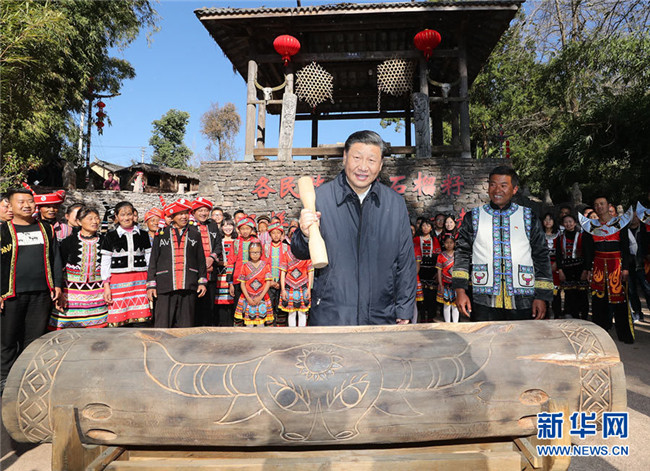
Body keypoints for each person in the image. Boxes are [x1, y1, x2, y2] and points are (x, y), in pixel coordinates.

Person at [292, 130, 417, 326]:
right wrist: (305, 235)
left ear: (381, 165)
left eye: (371, 160)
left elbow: (406, 263)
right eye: (357, 158)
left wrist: (404, 309)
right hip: (331, 315)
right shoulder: (320, 199)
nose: (363, 167)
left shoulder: (395, 204)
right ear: (344, 158)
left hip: (381, 315)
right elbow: (299, 251)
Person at [453, 166, 553, 321]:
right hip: (483, 299)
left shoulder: (528, 217)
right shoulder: (473, 217)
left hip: (523, 298)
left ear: (515, 189)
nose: (497, 190)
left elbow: (541, 256)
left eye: (503, 185)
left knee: (521, 336)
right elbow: (462, 254)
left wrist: (542, 296)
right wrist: (460, 290)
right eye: (493, 185)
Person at [1, 187, 62, 392]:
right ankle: (4, 381)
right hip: (10, 294)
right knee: (8, 339)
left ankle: (27, 379)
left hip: (41, 293)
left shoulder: (46, 229)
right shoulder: (3, 231)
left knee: (34, 340)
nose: (27, 205)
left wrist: (57, 284)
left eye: (30, 201)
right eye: (21, 202)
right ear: (10, 205)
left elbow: (55, 258)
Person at [147, 199, 208, 328]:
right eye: (180, 214)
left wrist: (202, 282)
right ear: (173, 216)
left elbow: (201, 260)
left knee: (186, 325)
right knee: (162, 324)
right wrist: (151, 285)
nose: (184, 216)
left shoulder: (195, 234)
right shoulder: (161, 234)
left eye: (186, 213)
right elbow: (153, 260)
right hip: (165, 284)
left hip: (188, 284)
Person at [581, 197, 634, 343]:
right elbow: (588, 250)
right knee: (598, 300)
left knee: (620, 299)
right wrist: (588, 268)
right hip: (598, 265)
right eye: (596, 205)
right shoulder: (590, 226)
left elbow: (625, 247)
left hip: (616, 265)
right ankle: (600, 334)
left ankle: (624, 334)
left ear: (608, 205)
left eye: (602, 204)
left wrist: (625, 268)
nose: (599, 207)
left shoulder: (620, 224)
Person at [50, 207, 108, 330]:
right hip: (70, 294)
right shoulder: (68, 242)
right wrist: (59, 290)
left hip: (97, 295)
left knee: (97, 331)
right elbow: (59, 266)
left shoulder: (105, 241)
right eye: (90, 219)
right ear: (79, 222)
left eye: (97, 218)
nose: (95, 222)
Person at [100, 201, 152, 326]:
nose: (126, 218)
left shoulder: (143, 235)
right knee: (118, 317)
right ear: (116, 217)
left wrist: (150, 282)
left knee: (141, 319)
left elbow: (149, 258)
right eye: (122, 215)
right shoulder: (110, 236)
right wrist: (106, 285)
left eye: (129, 214)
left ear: (134, 215)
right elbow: (105, 262)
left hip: (140, 281)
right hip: (118, 281)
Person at [191, 197, 222, 326]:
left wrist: (211, 257)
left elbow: (218, 245)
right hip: (194, 272)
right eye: (200, 210)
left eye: (206, 210)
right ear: (194, 212)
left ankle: (209, 328)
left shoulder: (212, 225)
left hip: (211, 270)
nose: (203, 213)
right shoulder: (189, 227)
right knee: (195, 303)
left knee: (209, 304)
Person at [555, 214, 589, 320]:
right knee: (570, 294)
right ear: (563, 224)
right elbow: (558, 255)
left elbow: (587, 254)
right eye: (566, 222)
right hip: (567, 270)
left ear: (574, 223)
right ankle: (574, 316)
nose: (568, 224)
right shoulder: (560, 238)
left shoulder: (582, 236)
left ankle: (584, 316)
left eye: (570, 221)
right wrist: (560, 270)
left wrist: (586, 270)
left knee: (582, 293)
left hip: (580, 268)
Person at [234, 241, 273, 327]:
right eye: (252, 252)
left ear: (261, 252)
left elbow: (268, 283)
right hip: (248, 297)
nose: (255, 254)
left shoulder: (265, 265)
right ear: (249, 253)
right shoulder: (245, 266)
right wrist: (248, 298)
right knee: (249, 324)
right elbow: (242, 284)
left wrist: (260, 297)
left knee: (261, 323)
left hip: (262, 297)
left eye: (257, 252)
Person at [413, 218, 441, 322]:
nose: (425, 228)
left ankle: (430, 317)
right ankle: (422, 317)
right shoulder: (416, 240)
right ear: (421, 227)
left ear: (431, 228)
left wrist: (437, 273)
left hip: (432, 271)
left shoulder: (435, 240)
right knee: (421, 296)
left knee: (431, 296)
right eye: (424, 225)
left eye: (428, 226)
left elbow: (438, 257)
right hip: (420, 271)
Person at [263, 222, 289, 326]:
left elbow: (289, 265)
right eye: (273, 233)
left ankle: (281, 326)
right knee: (269, 304)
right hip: (269, 281)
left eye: (278, 233)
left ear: (282, 234)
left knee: (281, 304)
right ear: (270, 235)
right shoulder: (265, 247)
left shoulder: (286, 247)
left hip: (282, 281)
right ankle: (270, 326)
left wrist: (281, 282)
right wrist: (271, 281)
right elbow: (263, 265)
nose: (276, 235)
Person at [279, 249, 314, 327]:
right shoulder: (286, 254)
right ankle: (292, 332)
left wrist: (309, 289)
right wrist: (283, 289)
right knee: (291, 312)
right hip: (289, 286)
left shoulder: (306, 254)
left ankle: (301, 332)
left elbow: (310, 272)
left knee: (302, 312)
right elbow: (283, 273)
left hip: (303, 286)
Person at [215, 217, 237, 326]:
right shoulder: (219, 241)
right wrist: (223, 263)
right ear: (221, 227)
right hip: (221, 274)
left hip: (234, 273)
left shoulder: (237, 241)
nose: (228, 228)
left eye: (230, 225)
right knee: (221, 301)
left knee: (233, 299)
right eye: (225, 225)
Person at [542, 212, 562, 318]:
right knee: (543, 290)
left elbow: (561, 251)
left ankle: (557, 314)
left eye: (550, 219)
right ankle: (544, 315)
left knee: (556, 292)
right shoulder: (539, 234)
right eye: (545, 219)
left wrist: (557, 263)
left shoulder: (559, 234)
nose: (548, 222)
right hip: (543, 266)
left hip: (555, 266)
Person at [437, 235, 459, 322]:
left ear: (454, 244)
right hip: (445, 284)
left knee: (455, 304)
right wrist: (440, 284)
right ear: (444, 243)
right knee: (446, 305)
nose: (449, 245)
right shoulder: (441, 256)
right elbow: (439, 271)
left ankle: (455, 324)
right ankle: (447, 323)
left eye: (451, 243)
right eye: (447, 242)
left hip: (456, 284)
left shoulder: (458, 255)